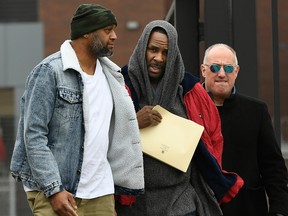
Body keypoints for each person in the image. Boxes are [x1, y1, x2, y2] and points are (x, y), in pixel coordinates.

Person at [10, 4, 144, 216]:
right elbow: (33, 135)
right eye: (107, 30)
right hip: (57, 191)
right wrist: (54, 189)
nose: (115, 36)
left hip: (101, 193)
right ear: (87, 33)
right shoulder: (50, 72)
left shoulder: (111, 75)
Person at [115, 20, 244, 216]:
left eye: (166, 53)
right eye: (153, 50)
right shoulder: (119, 85)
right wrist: (134, 123)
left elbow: (214, 137)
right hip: (133, 202)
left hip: (180, 201)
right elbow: (101, 135)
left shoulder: (191, 91)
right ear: (143, 48)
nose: (158, 58)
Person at [201, 43, 288, 216]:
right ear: (203, 70)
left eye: (228, 68)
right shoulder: (186, 108)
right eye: (215, 67)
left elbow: (273, 168)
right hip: (201, 208)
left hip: (247, 208)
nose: (221, 74)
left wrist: (279, 211)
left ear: (237, 71)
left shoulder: (256, 112)